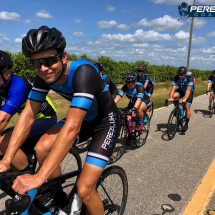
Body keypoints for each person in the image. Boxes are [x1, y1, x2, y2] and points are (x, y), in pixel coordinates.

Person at [0, 26, 120, 215]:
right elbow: (29, 115)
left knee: (85, 190)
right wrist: (7, 159)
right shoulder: (42, 77)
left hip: (105, 123)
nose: (43, 68)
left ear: (63, 56)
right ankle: (59, 198)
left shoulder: (84, 72)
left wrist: (39, 177)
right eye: (36, 63)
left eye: (49, 60)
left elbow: (72, 128)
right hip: (84, 120)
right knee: (41, 148)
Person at [0, 50, 57, 172]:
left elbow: (3, 119)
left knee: (5, 141)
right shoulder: (1, 87)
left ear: (6, 74)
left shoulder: (18, 84)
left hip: (46, 118)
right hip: (27, 121)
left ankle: (28, 180)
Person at [168, 66, 194, 132]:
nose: (180, 76)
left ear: (185, 73)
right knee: (173, 96)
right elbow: (173, 88)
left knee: (187, 107)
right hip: (181, 90)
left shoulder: (190, 78)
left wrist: (184, 99)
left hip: (189, 92)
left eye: (181, 74)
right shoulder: (176, 77)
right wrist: (171, 97)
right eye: (178, 74)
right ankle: (178, 109)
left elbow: (188, 90)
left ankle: (186, 124)